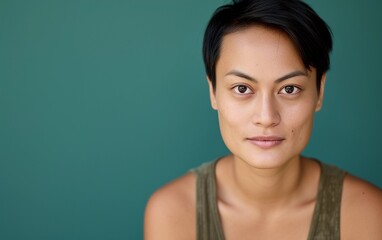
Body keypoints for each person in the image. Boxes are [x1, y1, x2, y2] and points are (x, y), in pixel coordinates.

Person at [144, 0, 382, 239]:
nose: (266, 118)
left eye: (289, 89)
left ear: (319, 92)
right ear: (213, 92)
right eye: (241, 88)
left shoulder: (367, 214)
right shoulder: (172, 213)